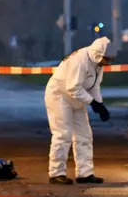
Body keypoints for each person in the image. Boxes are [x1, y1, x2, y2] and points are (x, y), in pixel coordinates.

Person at [45, 37, 115, 185]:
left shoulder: (97, 64)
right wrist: (93, 102)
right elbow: (72, 87)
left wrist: (100, 105)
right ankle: (56, 173)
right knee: (63, 134)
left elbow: (94, 86)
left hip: (77, 97)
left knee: (84, 135)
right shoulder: (80, 61)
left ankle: (85, 173)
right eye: (107, 59)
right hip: (59, 95)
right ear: (99, 54)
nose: (109, 63)